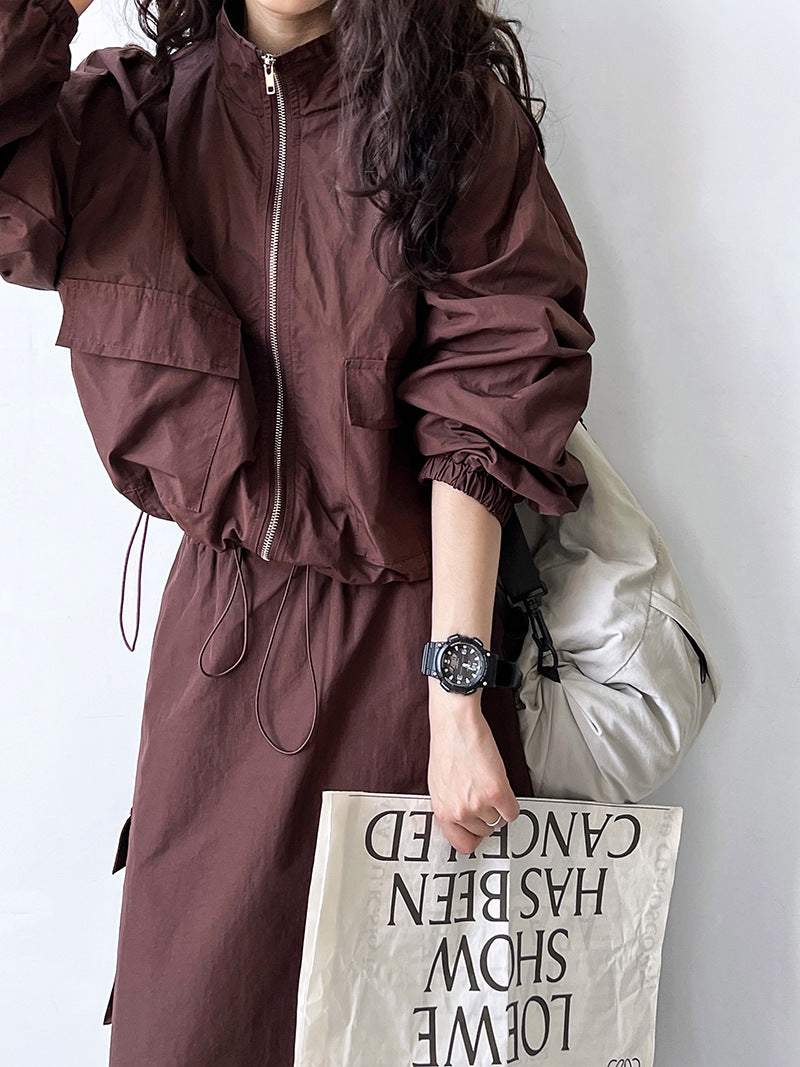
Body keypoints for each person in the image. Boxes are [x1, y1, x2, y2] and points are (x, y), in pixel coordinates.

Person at [0, 0, 596, 1061]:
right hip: (216, 659)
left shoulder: (449, 118)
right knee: (191, 1027)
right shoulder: (132, 120)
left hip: (406, 654)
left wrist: (455, 696)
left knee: (392, 1029)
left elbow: (483, 411)